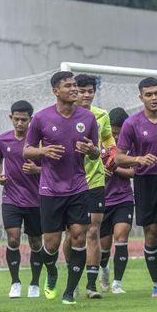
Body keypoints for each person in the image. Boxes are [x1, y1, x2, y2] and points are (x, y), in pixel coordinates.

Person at [24, 71, 100, 305]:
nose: (74, 89)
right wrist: (43, 151)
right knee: (51, 244)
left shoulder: (88, 119)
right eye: (68, 85)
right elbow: (26, 150)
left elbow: (97, 152)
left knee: (78, 237)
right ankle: (53, 272)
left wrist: (91, 150)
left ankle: (69, 292)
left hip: (78, 187)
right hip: (50, 189)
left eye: (75, 85)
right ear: (55, 91)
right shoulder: (40, 118)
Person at [116, 77, 157, 297]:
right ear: (141, 98)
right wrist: (138, 160)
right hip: (145, 183)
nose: (154, 98)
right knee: (150, 233)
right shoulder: (132, 124)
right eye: (148, 95)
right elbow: (119, 158)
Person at [62, 74, 115, 299]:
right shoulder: (61, 117)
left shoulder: (102, 115)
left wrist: (109, 155)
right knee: (73, 233)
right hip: (68, 183)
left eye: (89, 91)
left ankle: (91, 285)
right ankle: (72, 277)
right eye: (81, 90)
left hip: (94, 181)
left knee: (93, 230)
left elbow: (110, 142)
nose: (85, 94)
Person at [0, 100, 44, 299]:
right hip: (11, 198)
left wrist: (36, 170)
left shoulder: (40, 143)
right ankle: (15, 282)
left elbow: (54, 167)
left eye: (24, 120)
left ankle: (34, 283)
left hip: (36, 199)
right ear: (10, 118)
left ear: (31, 120)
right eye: (16, 119)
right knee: (13, 238)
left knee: (35, 242)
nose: (20, 123)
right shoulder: (2, 140)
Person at [99, 107, 135, 294]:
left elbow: (133, 172)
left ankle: (117, 283)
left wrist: (115, 168)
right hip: (102, 200)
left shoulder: (128, 147)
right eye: (113, 133)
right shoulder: (97, 144)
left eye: (119, 134)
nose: (116, 137)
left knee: (121, 237)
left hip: (123, 198)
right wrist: (99, 169)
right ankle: (103, 270)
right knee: (104, 247)